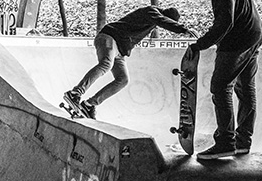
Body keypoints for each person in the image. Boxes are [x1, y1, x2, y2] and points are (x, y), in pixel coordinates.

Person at [179, 0, 262, 160]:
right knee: (245, 88)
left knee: (220, 87)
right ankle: (243, 142)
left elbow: (225, 21)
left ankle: (226, 142)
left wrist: (199, 45)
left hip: (238, 39)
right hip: (254, 33)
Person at [64, 6, 197, 119]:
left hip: (119, 51)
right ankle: (75, 93)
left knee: (123, 79)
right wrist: (183, 29)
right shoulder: (151, 11)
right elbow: (162, 20)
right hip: (109, 37)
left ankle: (89, 104)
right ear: (165, 15)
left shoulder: (152, 21)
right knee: (106, 64)